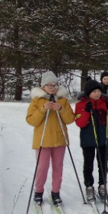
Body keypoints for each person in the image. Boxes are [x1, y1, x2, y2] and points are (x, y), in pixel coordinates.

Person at [25, 71, 75, 206]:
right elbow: (31, 121)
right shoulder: (37, 100)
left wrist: (61, 109)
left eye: (54, 85)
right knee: (42, 167)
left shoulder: (63, 100)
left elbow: (70, 119)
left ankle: (56, 192)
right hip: (43, 141)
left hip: (59, 139)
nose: (52, 88)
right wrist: (42, 109)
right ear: (43, 86)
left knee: (58, 167)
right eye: (49, 85)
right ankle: (38, 192)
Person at [74, 79, 108, 202]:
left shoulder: (105, 102)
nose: (97, 94)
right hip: (88, 140)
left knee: (103, 164)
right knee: (88, 164)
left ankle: (102, 186)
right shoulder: (80, 105)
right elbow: (80, 123)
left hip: (103, 139)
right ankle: (89, 187)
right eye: (94, 92)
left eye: (98, 91)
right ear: (88, 93)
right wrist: (87, 111)